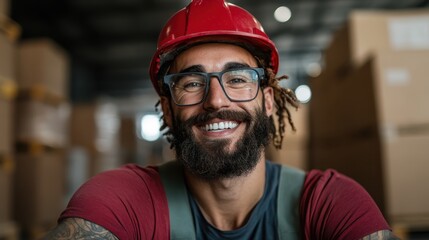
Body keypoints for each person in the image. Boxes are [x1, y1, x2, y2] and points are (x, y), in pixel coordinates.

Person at [44, 0, 399, 239]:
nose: (215, 101)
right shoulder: (122, 200)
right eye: (193, 83)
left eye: (238, 79)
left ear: (269, 99)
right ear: (167, 109)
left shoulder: (329, 204)